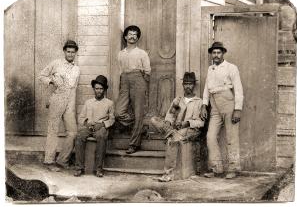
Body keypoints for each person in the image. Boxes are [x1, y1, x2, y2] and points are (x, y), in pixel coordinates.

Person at [200, 42, 244, 179]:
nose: (216, 55)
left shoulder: (231, 68)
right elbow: (207, 88)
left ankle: (233, 168)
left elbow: (238, 89)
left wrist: (237, 109)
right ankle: (216, 168)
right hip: (214, 105)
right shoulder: (210, 68)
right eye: (214, 53)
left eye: (219, 52)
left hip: (228, 102)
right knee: (211, 137)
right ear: (211, 54)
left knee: (232, 137)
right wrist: (203, 105)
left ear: (223, 53)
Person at [150, 72, 204, 182]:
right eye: (186, 84)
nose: (188, 86)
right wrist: (169, 123)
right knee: (154, 120)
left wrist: (187, 123)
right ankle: (172, 133)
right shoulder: (177, 100)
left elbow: (201, 122)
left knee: (173, 139)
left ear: (194, 85)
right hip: (176, 129)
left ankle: (168, 174)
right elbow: (169, 115)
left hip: (190, 130)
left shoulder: (199, 102)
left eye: (190, 84)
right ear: (183, 85)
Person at [38, 40, 80, 171]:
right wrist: (51, 81)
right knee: (53, 130)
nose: (70, 54)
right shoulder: (56, 63)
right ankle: (49, 161)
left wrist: (71, 106)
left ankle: (62, 160)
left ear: (75, 53)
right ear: (64, 51)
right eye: (68, 51)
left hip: (69, 101)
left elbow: (74, 89)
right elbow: (41, 75)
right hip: (57, 99)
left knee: (72, 132)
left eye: (73, 52)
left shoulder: (77, 69)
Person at [115, 25, 151, 154]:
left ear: (137, 38)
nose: (132, 36)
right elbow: (119, 71)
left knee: (138, 112)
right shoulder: (121, 54)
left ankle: (134, 144)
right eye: (130, 34)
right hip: (124, 80)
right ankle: (140, 127)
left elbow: (147, 72)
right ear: (125, 37)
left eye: (135, 34)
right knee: (118, 112)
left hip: (138, 79)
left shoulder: (142, 53)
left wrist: (141, 82)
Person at [73, 75, 115, 177]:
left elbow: (112, 119)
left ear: (104, 89)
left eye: (101, 89)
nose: (99, 91)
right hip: (89, 127)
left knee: (101, 136)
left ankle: (98, 169)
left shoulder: (109, 103)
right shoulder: (88, 103)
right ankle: (79, 168)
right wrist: (86, 123)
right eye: (97, 88)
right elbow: (81, 118)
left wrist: (102, 124)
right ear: (94, 89)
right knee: (79, 137)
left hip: (101, 127)